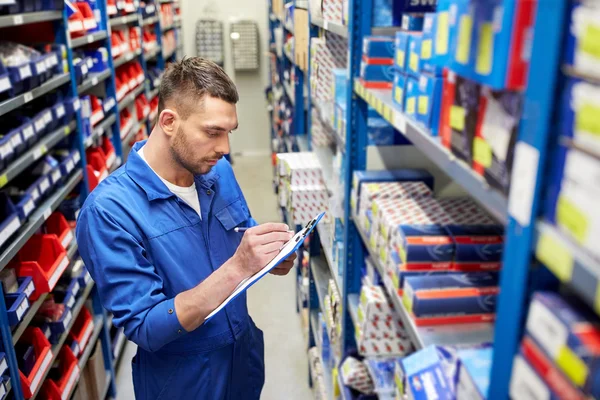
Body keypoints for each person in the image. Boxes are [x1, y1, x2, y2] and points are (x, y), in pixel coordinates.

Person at [76, 57, 297, 399]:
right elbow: (146, 325)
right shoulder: (110, 211)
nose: (224, 149)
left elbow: (241, 234)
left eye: (228, 133)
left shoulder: (217, 171)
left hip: (243, 364)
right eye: (212, 132)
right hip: (183, 384)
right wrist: (238, 267)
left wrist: (271, 257)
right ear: (168, 121)